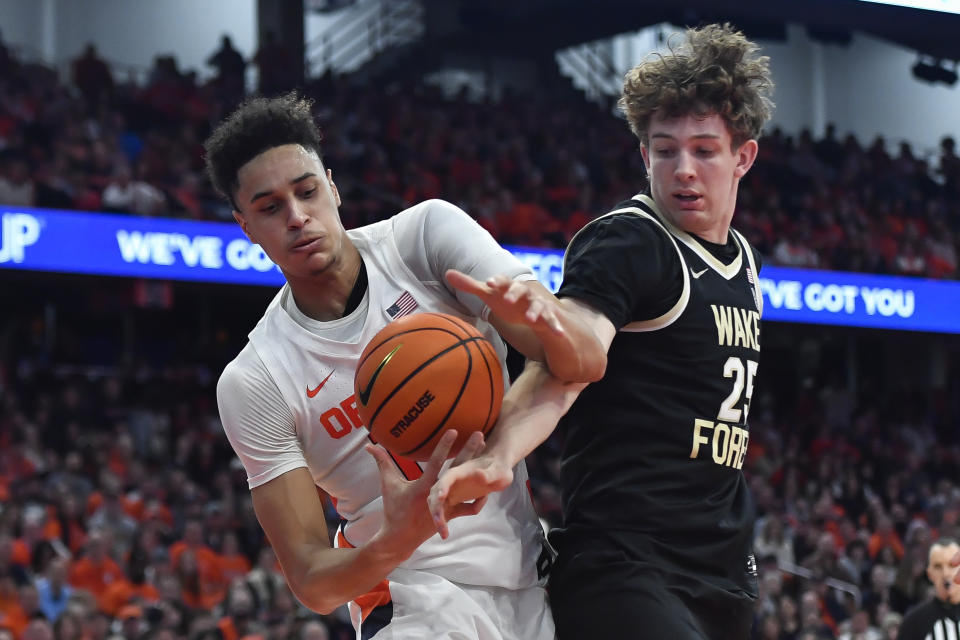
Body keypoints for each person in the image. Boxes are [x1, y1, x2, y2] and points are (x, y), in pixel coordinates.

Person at [204, 92, 605, 639]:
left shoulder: (422, 240)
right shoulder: (255, 380)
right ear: (245, 225)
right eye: (270, 208)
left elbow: (586, 363)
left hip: (528, 571)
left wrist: (550, 330)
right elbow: (313, 582)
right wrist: (400, 534)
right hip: (409, 598)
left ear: (332, 185)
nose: (297, 218)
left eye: (307, 192)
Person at [429, 23, 773, 640]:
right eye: (665, 150)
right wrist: (500, 455)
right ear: (644, 156)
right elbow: (564, 368)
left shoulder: (742, 257)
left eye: (704, 150)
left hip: (722, 570)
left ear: (742, 156)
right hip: (625, 565)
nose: (683, 170)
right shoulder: (629, 241)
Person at [898, 539, 960, 640]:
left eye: (951, 565)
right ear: (929, 574)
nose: (945, 574)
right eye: (938, 566)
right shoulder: (914, 622)